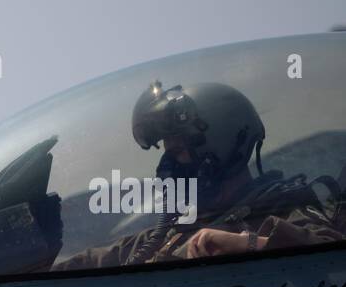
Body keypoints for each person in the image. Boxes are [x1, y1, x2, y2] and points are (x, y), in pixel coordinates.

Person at [57, 81, 343, 270]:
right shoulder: (166, 236)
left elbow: (331, 260)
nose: (167, 168)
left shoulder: (285, 210)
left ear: (222, 149)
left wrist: (250, 245)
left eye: (179, 152)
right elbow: (85, 265)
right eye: (166, 154)